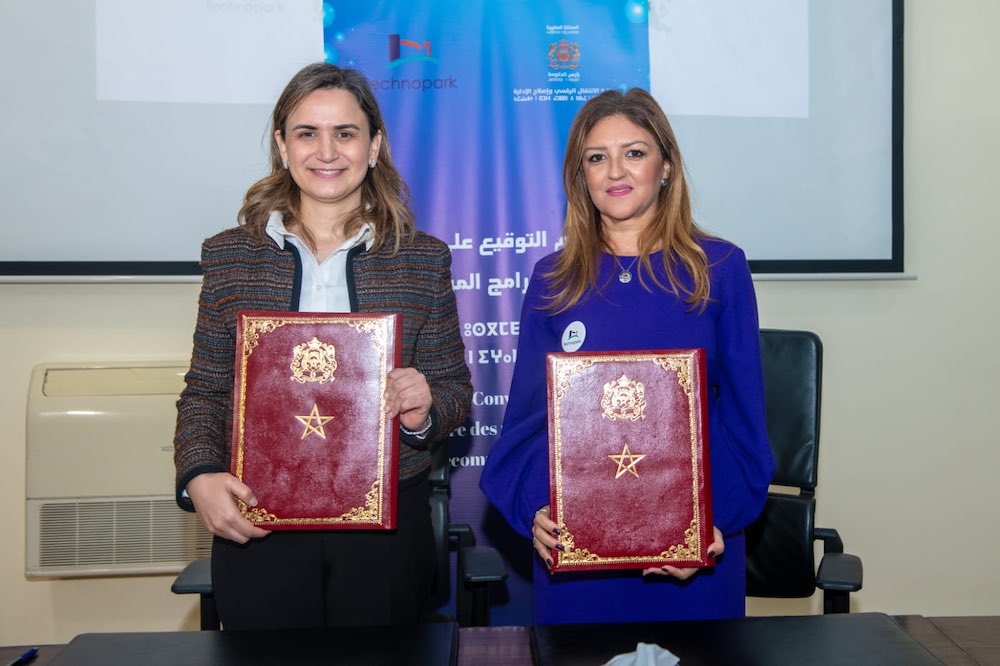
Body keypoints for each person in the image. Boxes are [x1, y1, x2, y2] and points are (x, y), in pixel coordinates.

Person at [173, 62, 472, 630]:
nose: (327, 151)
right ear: (282, 145)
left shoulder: (422, 259)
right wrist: (199, 475)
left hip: (386, 528)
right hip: (258, 519)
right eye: (307, 133)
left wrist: (424, 407)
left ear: (374, 146)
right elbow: (205, 391)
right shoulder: (230, 257)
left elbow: (454, 392)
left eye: (346, 133)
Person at [480, 88, 775, 624]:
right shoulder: (552, 279)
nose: (615, 170)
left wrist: (714, 523)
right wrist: (533, 509)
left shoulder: (720, 268)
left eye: (634, 153)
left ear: (666, 167)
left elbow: (744, 420)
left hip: (696, 557)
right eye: (597, 157)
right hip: (578, 559)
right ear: (581, 176)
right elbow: (526, 422)